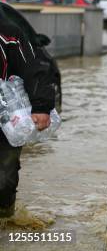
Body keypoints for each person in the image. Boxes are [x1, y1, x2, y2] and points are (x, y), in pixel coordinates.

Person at [0, 15, 55, 218]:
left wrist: (41, 106)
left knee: (4, 180)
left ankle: (5, 221)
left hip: (5, 117)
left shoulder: (9, 32)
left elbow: (35, 67)